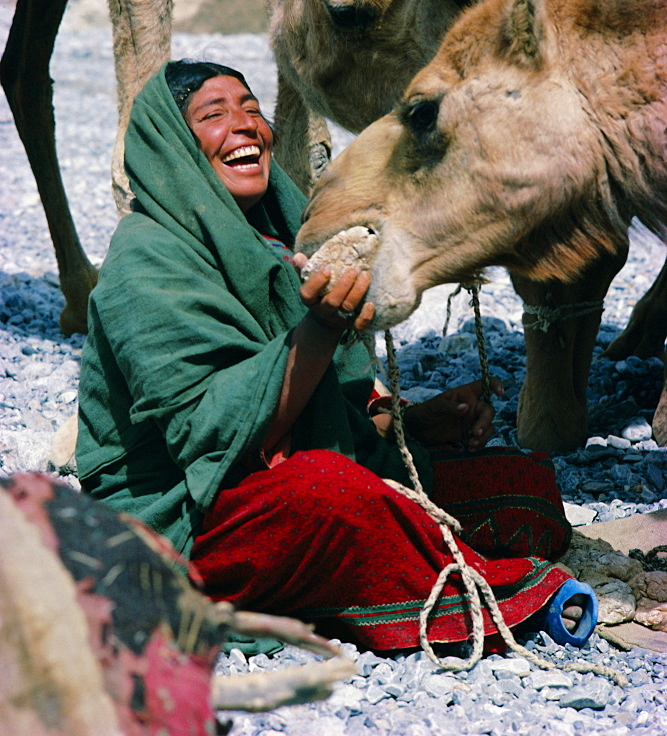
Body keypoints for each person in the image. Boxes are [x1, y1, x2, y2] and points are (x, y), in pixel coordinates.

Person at [76, 60, 577, 657]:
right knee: (333, 497)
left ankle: (362, 573)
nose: (246, 127)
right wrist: (319, 328)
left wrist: (412, 423)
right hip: (180, 522)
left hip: (277, 477)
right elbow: (209, 436)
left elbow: (328, 400)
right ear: (173, 146)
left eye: (252, 110)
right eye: (214, 116)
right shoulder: (146, 263)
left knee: (523, 486)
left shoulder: (278, 235)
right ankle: (491, 594)